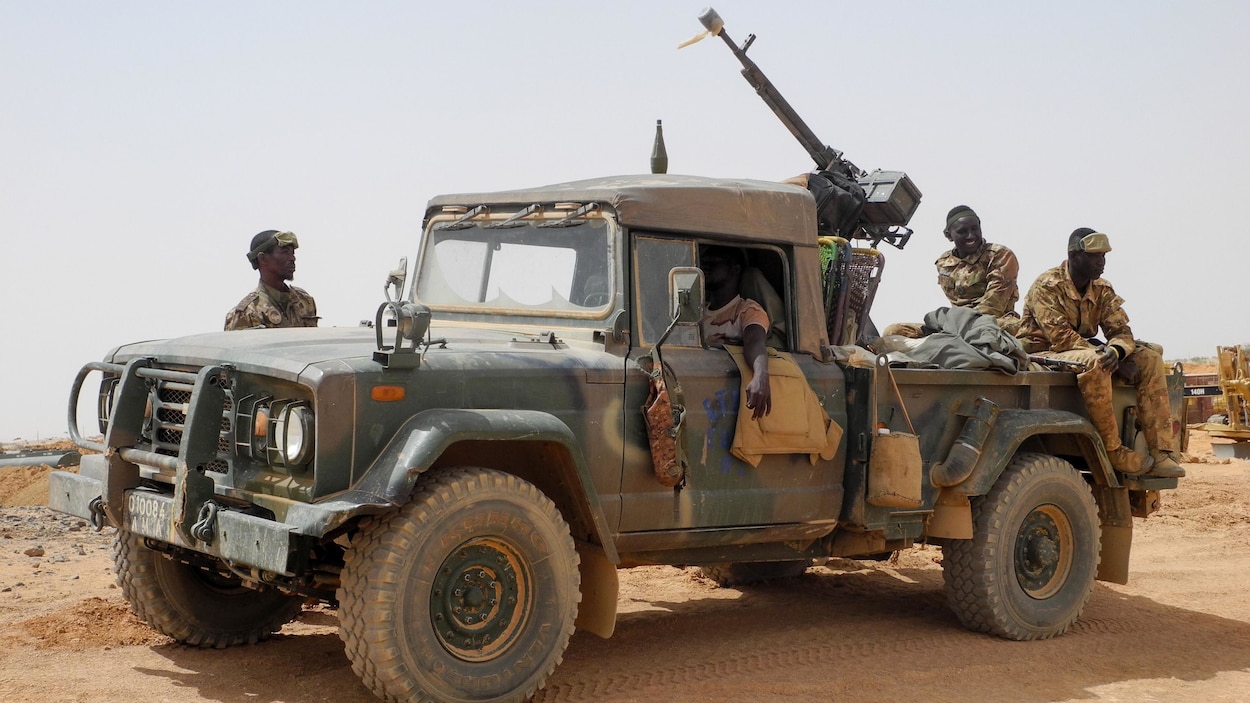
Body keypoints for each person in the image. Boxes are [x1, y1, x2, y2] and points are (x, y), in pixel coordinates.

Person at [1017, 228, 1184, 478]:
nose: (1101, 262)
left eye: (1103, 256)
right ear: (1074, 256)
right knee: (1097, 361)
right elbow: (1061, 338)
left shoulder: (1102, 288)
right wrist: (1111, 360)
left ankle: (1161, 453)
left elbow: (1121, 331)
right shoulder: (1048, 285)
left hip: (1082, 349)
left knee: (1149, 357)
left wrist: (1116, 351)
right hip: (1044, 351)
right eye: (1094, 256)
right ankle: (1113, 450)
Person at [883, 205, 1020, 338]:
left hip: (993, 321)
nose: (971, 236)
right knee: (894, 331)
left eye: (975, 229)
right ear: (949, 236)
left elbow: (993, 305)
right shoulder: (944, 263)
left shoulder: (999, 255)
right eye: (962, 231)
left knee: (1006, 328)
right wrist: (946, 325)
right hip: (954, 324)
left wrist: (957, 326)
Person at [699, 245, 772, 420]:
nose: (705, 267)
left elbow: (755, 342)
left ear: (735, 269)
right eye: (704, 262)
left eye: (714, 262)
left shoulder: (747, 310)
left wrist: (760, 375)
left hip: (723, 399)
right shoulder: (697, 312)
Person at [224, 230, 319, 330]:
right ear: (262, 258)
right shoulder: (247, 313)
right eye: (285, 252)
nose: (292, 258)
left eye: (292, 253)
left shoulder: (304, 301)